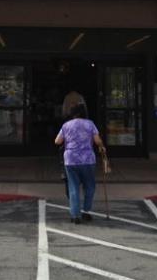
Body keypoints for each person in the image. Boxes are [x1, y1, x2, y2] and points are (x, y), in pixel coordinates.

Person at [54, 91, 106, 224]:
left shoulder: (66, 125)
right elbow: (97, 141)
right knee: (90, 186)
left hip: (71, 159)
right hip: (87, 159)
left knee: (73, 187)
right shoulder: (90, 124)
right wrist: (101, 147)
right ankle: (86, 211)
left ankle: (75, 215)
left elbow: (57, 141)